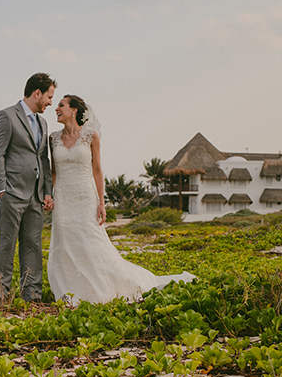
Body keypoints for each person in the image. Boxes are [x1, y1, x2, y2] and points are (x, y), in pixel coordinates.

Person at [47, 94, 193, 304]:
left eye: (61, 105)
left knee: (91, 242)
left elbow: (97, 171)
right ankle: (70, 290)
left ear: (74, 110)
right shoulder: (53, 138)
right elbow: (53, 172)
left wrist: (101, 202)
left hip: (85, 197)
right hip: (63, 198)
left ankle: (104, 286)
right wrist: (50, 195)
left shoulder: (91, 136)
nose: (56, 109)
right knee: (65, 245)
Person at [0, 73, 57, 302]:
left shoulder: (43, 122)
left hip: (36, 195)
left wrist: (48, 191)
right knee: (6, 246)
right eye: (48, 97)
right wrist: (1, 190)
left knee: (33, 247)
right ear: (37, 93)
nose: (50, 102)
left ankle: (32, 295)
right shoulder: (7, 116)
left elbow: (43, 159)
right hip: (12, 193)